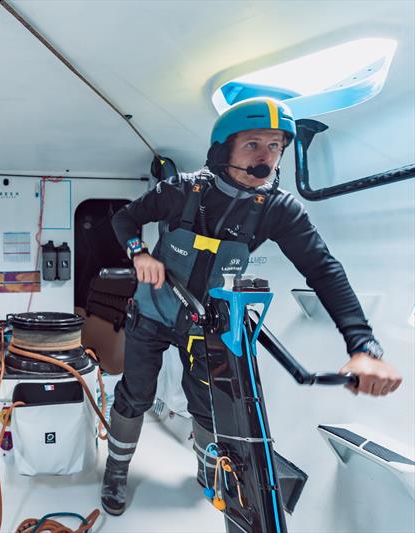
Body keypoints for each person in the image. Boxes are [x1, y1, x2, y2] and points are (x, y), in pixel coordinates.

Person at [100, 96, 403, 516]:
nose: (266, 159)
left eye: (275, 147)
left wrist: (364, 348)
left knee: (207, 406)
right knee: (136, 395)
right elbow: (124, 220)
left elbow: (325, 271)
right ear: (223, 151)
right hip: (152, 313)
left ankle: (209, 471)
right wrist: (139, 253)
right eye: (253, 145)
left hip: (206, 324)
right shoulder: (180, 190)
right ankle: (116, 470)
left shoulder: (278, 211)